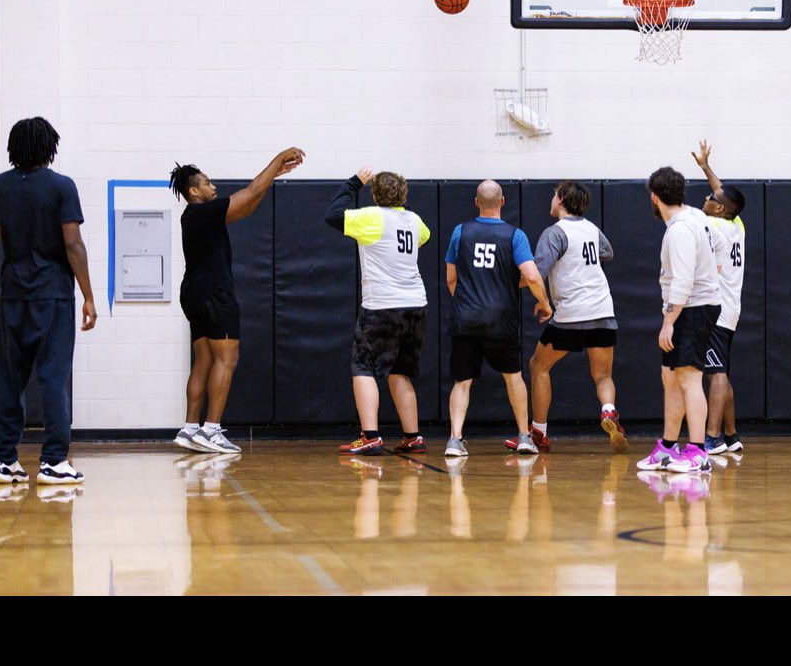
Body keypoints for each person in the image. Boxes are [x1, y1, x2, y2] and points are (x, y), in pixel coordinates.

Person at [169, 147, 305, 454]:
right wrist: (278, 160)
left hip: (193, 293)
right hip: (215, 293)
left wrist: (273, 175)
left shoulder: (195, 217)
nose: (213, 186)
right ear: (193, 191)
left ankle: (190, 429)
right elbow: (251, 191)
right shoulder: (202, 212)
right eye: (207, 182)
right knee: (227, 359)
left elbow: (248, 206)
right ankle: (211, 430)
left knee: (204, 360)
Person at [0, 117, 97, 487]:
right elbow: (73, 243)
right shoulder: (62, 186)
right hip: (52, 294)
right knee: (53, 378)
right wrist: (88, 295)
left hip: (13, 292)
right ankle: (53, 461)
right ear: (49, 147)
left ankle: (5, 461)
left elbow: (2, 235)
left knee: (9, 380)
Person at [324, 165, 430, 455]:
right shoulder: (414, 220)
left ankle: (370, 436)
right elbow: (425, 237)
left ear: (375, 194)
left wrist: (354, 183)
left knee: (363, 367)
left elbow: (333, 214)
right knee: (400, 371)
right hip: (416, 306)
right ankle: (413, 437)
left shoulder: (372, 217)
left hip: (383, 305)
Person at [444, 180, 552, 457]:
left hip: (466, 317)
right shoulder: (515, 235)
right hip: (501, 318)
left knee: (462, 381)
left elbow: (451, 279)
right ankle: (524, 436)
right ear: (503, 201)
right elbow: (531, 276)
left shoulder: (460, 232)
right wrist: (544, 303)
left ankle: (455, 439)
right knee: (513, 377)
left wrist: (467, 303)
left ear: (476, 202)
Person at [518, 181, 627, 453]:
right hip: (602, 311)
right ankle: (609, 410)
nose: (552, 199)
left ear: (561, 200)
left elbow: (537, 271)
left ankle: (539, 433)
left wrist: (507, 283)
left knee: (538, 366)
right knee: (602, 374)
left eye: (554, 195)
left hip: (572, 314)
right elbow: (608, 252)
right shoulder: (592, 228)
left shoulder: (555, 232)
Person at [636, 167, 725, 475]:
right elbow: (720, 249)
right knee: (672, 378)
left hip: (692, 309)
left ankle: (698, 452)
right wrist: (711, 274)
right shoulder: (697, 217)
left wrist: (669, 322)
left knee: (689, 378)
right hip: (691, 306)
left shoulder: (680, 230)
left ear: (654, 197)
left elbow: (684, 282)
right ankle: (667, 448)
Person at [692, 140, 746, 455]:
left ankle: (711, 438)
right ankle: (731, 434)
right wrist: (705, 167)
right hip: (731, 310)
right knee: (721, 370)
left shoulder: (713, 225)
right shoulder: (736, 224)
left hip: (717, 310)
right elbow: (722, 193)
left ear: (719, 209)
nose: (707, 197)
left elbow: (717, 197)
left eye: (710, 199)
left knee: (716, 373)